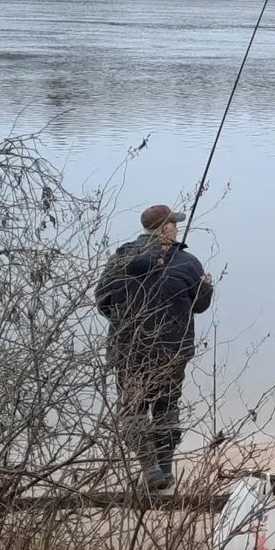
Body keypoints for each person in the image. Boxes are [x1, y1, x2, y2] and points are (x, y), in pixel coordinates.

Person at [95, 204, 214, 488]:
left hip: (129, 352)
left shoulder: (119, 259)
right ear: (166, 228)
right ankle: (164, 470)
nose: (177, 228)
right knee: (166, 406)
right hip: (172, 352)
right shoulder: (187, 262)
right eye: (174, 224)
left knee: (133, 410)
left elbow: (102, 301)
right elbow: (200, 306)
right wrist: (206, 287)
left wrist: (127, 323)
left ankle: (152, 471)